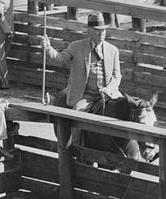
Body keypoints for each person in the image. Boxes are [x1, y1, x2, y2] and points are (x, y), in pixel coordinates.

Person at [40, 12, 122, 145]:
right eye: (97, 31)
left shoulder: (113, 50)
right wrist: (48, 48)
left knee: (126, 110)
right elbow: (60, 58)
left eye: (103, 31)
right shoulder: (77, 46)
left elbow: (117, 75)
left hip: (109, 94)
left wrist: (109, 89)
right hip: (86, 95)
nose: (101, 34)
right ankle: (77, 148)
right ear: (89, 31)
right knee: (77, 116)